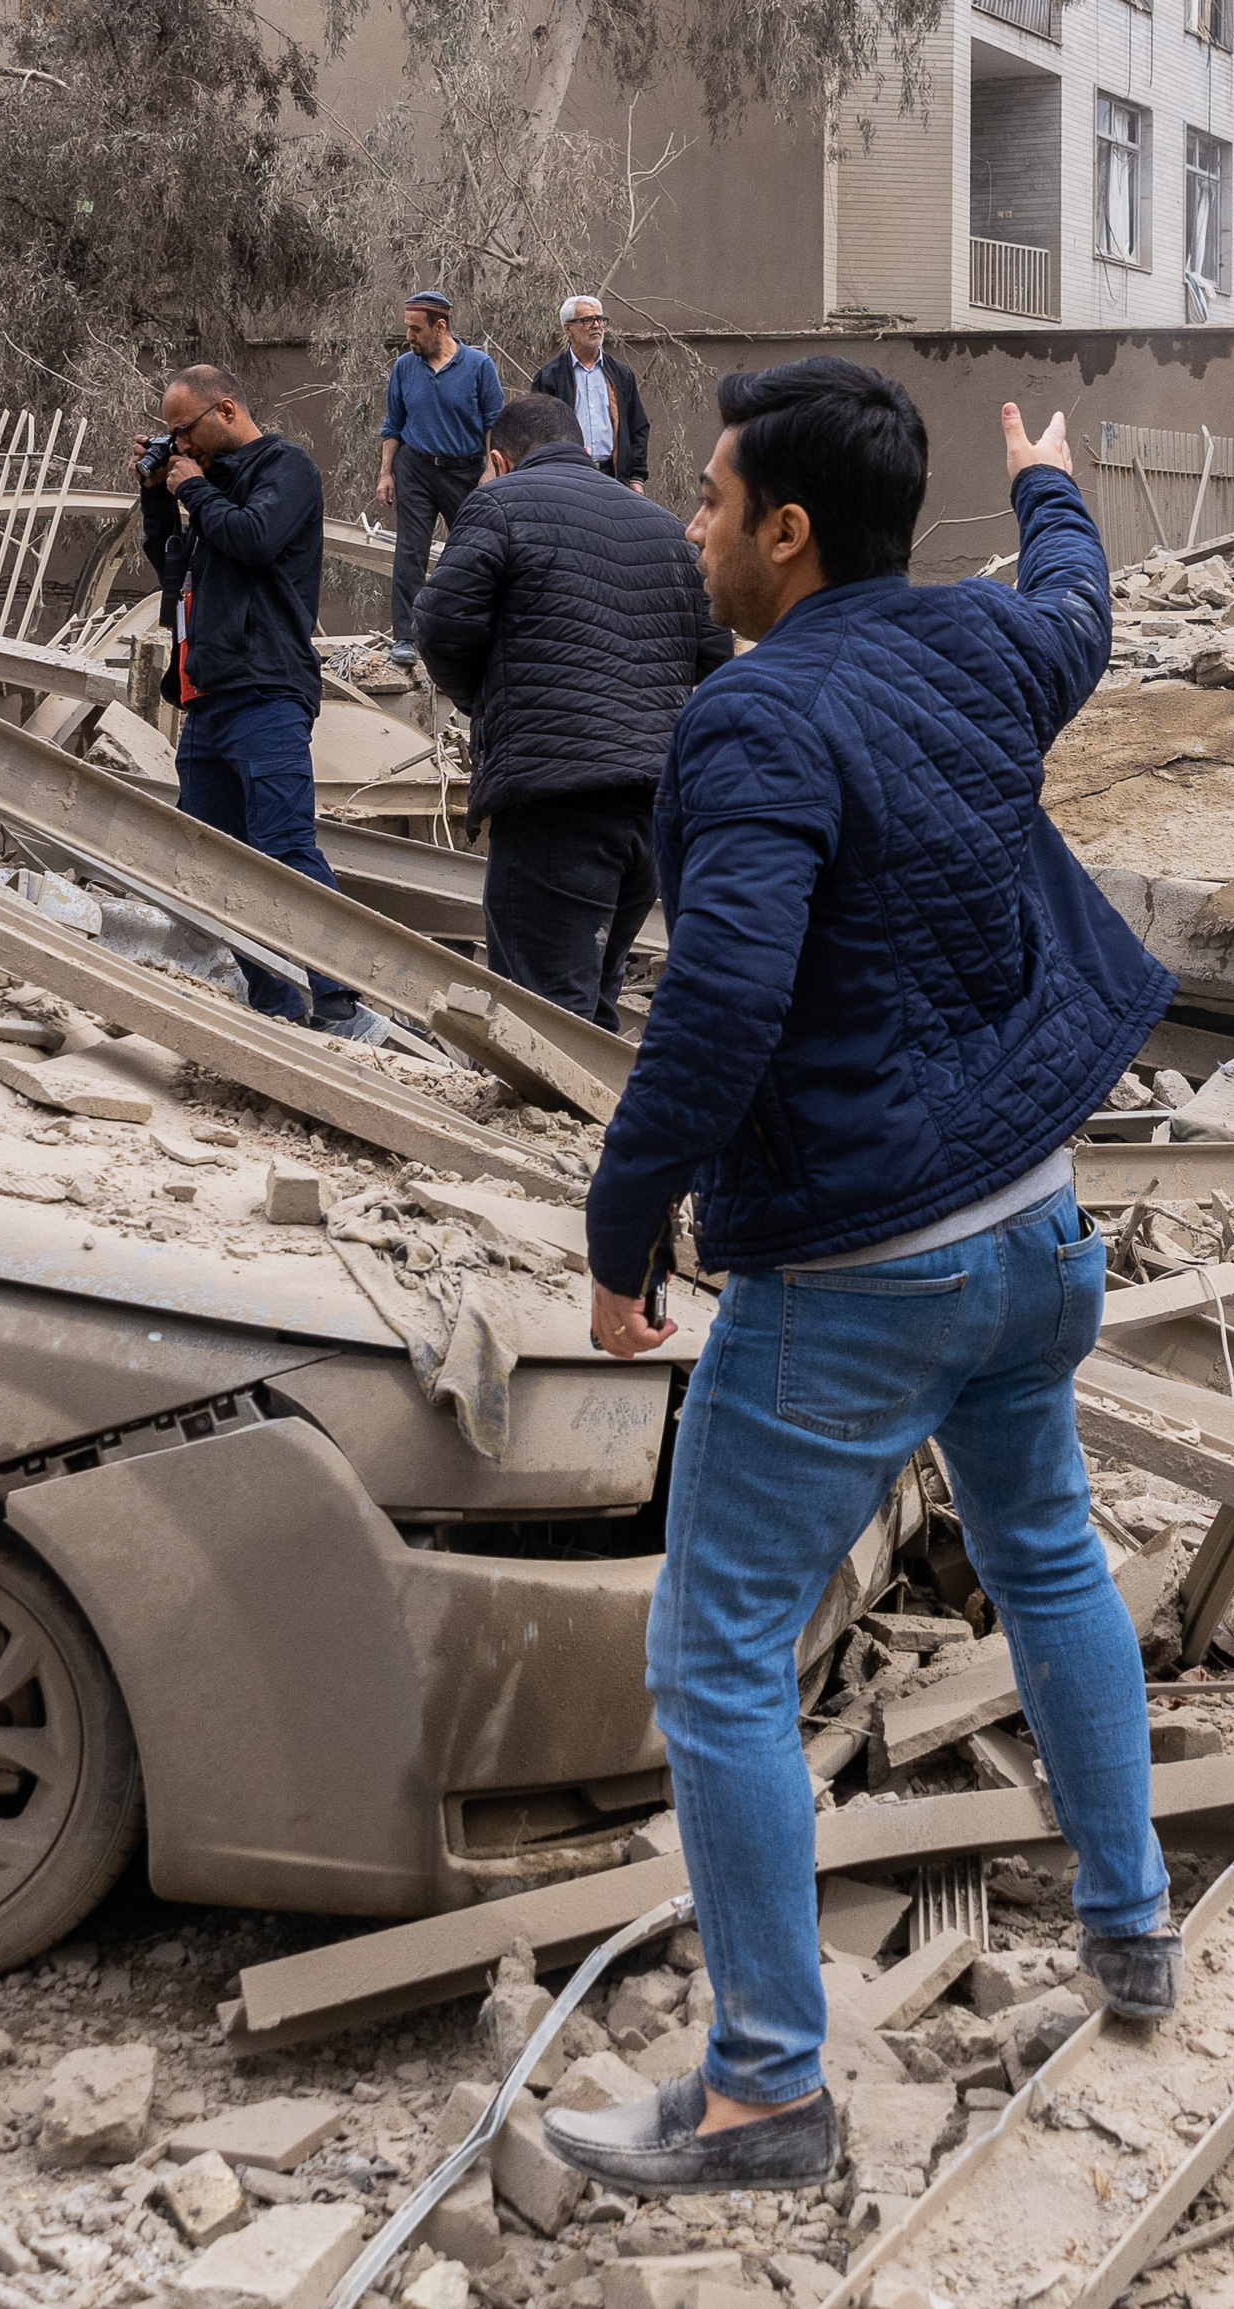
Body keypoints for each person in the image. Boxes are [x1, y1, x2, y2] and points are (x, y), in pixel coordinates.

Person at [546, 361, 1179, 2200]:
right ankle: (1131, 1931)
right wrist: (1051, 485)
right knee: (1050, 1551)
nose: (697, 526)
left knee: (720, 1651)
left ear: (788, 533)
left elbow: (722, 998)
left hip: (868, 1266)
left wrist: (620, 1228)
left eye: (715, 499)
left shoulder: (753, 723)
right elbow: (1076, 601)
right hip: (1038, 1224)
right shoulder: (983, 651)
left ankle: (765, 2091)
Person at [415, 392, 726, 1020]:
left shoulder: (499, 505)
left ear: (499, 460)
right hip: (654, 805)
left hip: (556, 801)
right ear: (583, 446)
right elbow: (714, 654)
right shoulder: (667, 527)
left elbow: (441, 626)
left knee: (540, 1019)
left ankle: (536, 1123)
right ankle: (590, 1121)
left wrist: (492, 705)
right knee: (592, 1007)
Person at [142, 365, 380, 1042]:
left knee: (281, 844)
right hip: (206, 697)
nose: (180, 446)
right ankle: (275, 1002)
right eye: (170, 437)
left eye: (184, 431)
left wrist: (194, 488)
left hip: (267, 688)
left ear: (225, 410)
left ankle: (339, 999)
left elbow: (255, 537)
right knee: (210, 859)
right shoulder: (202, 485)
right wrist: (161, 496)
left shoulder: (288, 468)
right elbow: (169, 565)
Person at [376, 289, 507, 638]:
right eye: (407, 328)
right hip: (415, 467)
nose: (409, 337)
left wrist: (491, 469)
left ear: (440, 326)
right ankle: (406, 636)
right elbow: (393, 424)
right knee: (410, 552)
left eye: (416, 329)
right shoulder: (404, 367)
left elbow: (494, 422)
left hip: (464, 471)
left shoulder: (479, 366)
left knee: (474, 551)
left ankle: (474, 630)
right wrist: (386, 472)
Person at [550, 293, 654, 490]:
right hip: (568, 478)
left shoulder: (621, 374)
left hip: (613, 476)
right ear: (568, 329)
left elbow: (638, 426)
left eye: (600, 319)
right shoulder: (550, 377)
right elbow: (540, 434)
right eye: (588, 320)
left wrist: (636, 477)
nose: (597, 325)